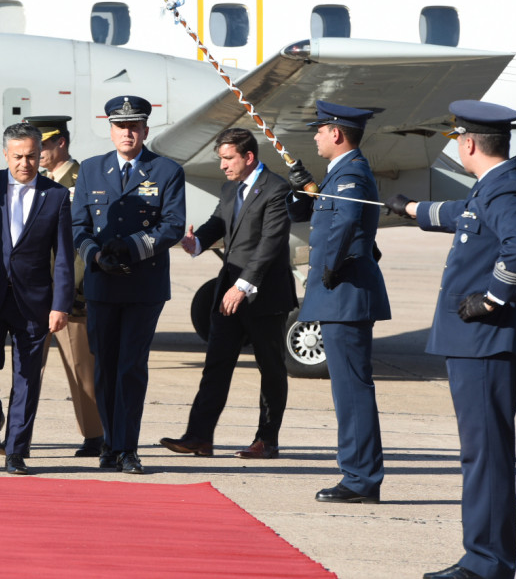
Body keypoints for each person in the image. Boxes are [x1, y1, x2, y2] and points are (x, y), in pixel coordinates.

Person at [385, 100, 516, 579]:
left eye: (457, 139)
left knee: (486, 453)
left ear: (469, 143)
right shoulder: (497, 184)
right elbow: (466, 215)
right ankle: (484, 557)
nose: (457, 145)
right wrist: (413, 209)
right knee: (482, 451)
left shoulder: (506, 189)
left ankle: (486, 563)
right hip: (477, 340)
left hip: (487, 337)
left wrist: (493, 298)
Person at [160, 127, 297, 459]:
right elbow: (217, 223)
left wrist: (242, 286)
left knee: (271, 369)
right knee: (216, 366)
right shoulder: (229, 189)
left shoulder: (277, 190)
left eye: (227, 159)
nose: (222, 165)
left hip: (264, 297)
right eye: (220, 159)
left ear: (248, 157)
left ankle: (267, 440)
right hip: (229, 295)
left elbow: (269, 245)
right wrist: (196, 243)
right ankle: (199, 437)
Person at [71, 95, 186, 474]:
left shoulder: (166, 171)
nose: (128, 133)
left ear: (145, 130)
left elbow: (172, 225)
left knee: (131, 367)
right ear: (111, 130)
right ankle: (110, 442)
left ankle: (128, 448)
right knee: (105, 366)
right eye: (121, 126)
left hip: (143, 285)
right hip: (102, 283)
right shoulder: (90, 170)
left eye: (134, 126)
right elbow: (77, 227)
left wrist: (132, 249)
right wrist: (96, 256)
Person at [0, 123, 74, 475]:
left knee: (27, 378)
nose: (25, 163)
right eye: (18, 156)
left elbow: (64, 256)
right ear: (6, 155)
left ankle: (17, 449)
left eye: (32, 156)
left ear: (41, 155)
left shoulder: (55, 195)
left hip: (34, 303)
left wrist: (60, 305)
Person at [286, 99, 391, 503]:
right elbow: (326, 214)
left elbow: (347, 221)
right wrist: (306, 188)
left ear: (336, 134)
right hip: (339, 294)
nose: (314, 135)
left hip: (343, 293)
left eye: (319, 129)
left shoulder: (352, 172)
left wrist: (328, 267)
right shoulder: (340, 174)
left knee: (351, 391)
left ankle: (361, 479)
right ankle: (357, 474)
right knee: (347, 390)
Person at [25, 115, 105, 458]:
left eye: (43, 145)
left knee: (81, 372)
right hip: (32, 295)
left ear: (61, 143)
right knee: (25, 371)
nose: (38, 153)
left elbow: (80, 244)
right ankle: (16, 434)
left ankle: (94, 436)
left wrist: (69, 291)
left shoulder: (82, 179)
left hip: (71, 296)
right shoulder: (35, 182)